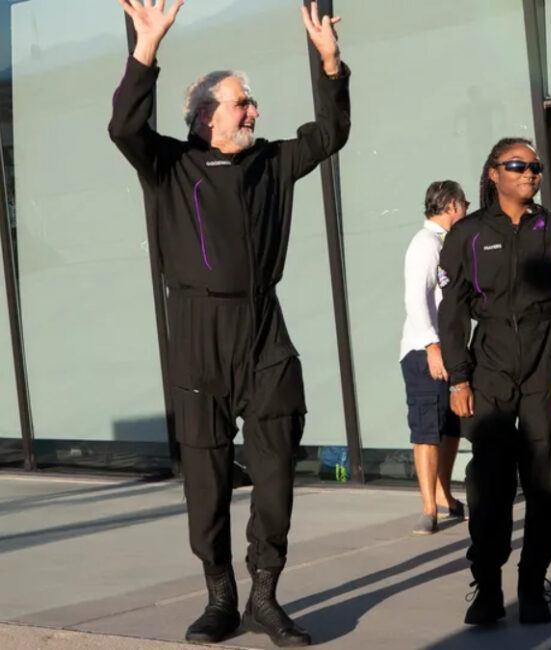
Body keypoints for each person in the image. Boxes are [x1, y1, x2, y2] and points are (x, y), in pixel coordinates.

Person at [109, 1, 349, 645]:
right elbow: (124, 127)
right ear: (206, 115)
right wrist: (146, 48)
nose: (254, 111)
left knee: (273, 477)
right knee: (207, 484)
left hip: (263, 332)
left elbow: (329, 135)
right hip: (196, 335)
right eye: (243, 102)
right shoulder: (167, 166)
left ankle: (265, 596)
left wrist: (330, 65)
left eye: (252, 102)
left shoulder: (271, 162)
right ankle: (220, 595)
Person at [438, 138, 551, 626]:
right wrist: (459, 380)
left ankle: (532, 585)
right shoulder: (468, 234)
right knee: (490, 485)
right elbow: (454, 312)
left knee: (547, 483)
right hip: (491, 367)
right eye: (517, 165)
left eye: (535, 167)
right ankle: (486, 585)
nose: (530, 173)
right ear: (493, 174)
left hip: (547, 366)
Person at [400, 181, 468, 535]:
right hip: (424, 351)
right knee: (427, 429)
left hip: (450, 349)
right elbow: (416, 299)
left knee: (450, 425)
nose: (467, 211)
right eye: (465, 204)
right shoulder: (425, 244)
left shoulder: (450, 245)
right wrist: (431, 346)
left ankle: (445, 494)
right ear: (453, 206)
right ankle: (429, 507)